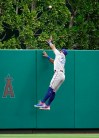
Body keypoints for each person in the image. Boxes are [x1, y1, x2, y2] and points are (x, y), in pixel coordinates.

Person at [34, 37, 68, 110]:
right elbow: (54, 62)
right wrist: (47, 57)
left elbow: (53, 47)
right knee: (53, 91)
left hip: (58, 74)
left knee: (50, 88)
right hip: (62, 76)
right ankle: (48, 105)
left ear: (62, 52)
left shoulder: (59, 54)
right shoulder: (62, 58)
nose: (60, 50)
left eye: (61, 50)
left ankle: (42, 102)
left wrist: (49, 42)